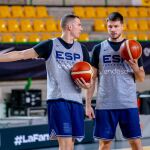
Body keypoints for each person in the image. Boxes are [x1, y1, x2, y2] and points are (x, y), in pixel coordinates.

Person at [0, 14, 92, 150]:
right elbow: (22, 54)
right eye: (79, 25)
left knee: (71, 144)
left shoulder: (82, 49)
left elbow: (89, 76)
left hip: (76, 102)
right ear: (69, 27)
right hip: (58, 100)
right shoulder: (50, 45)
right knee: (65, 144)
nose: (81, 28)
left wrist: (87, 85)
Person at [85, 12, 145, 150]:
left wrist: (134, 66)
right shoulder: (98, 48)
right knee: (104, 144)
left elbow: (141, 78)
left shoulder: (133, 47)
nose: (113, 30)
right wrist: (88, 105)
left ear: (122, 27)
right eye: (110, 26)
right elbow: (92, 79)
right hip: (105, 105)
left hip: (128, 103)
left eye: (116, 26)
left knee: (135, 143)